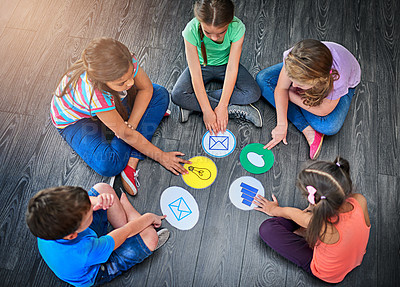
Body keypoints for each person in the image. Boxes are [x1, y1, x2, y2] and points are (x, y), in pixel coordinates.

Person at [50, 37, 190, 196]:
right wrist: (161, 156)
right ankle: (134, 151)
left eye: (131, 75)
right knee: (109, 164)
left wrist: (131, 124)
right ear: (103, 81)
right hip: (76, 122)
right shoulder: (95, 94)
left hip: (109, 109)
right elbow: (126, 134)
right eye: (122, 82)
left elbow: (147, 89)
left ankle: (133, 156)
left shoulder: (125, 60)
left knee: (160, 94)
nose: (131, 83)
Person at [26, 182, 169, 287]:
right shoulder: (86, 251)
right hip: (97, 270)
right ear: (72, 235)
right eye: (89, 215)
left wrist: (97, 201)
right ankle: (132, 216)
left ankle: (132, 218)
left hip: (83, 246)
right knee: (150, 237)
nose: (93, 208)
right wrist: (149, 217)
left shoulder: (45, 221)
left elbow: (90, 202)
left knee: (102, 189)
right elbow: (126, 232)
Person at [254, 157, 370, 283]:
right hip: (354, 257)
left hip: (329, 273)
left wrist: (272, 209)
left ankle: (304, 231)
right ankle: (305, 229)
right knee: (304, 221)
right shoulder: (359, 200)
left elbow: (289, 212)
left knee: (267, 229)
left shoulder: (321, 226)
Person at [256, 39, 361, 159]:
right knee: (262, 79)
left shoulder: (338, 81)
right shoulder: (293, 58)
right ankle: (306, 128)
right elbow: (281, 88)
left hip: (345, 85)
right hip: (310, 69)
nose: (294, 86)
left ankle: (296, 106)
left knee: (329, 126)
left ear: (318, 81)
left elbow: (323, 110)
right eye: (292, 80)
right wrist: (281, 124)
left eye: (300, 85)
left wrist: (288, 94)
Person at [171, 0, 262, 134]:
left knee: (253, 93)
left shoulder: (237, 28)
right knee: (177, 95)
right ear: (199, 21)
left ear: (229, 22)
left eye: (221, 32)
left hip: (226, 66)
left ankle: (191, 105)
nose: (214, 38)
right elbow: (195, 74)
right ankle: (233, 109)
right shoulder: (190, 30)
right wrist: (207, 110)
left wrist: (222, 105)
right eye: (208, 33)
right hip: (202, 66)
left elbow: (232, 69)